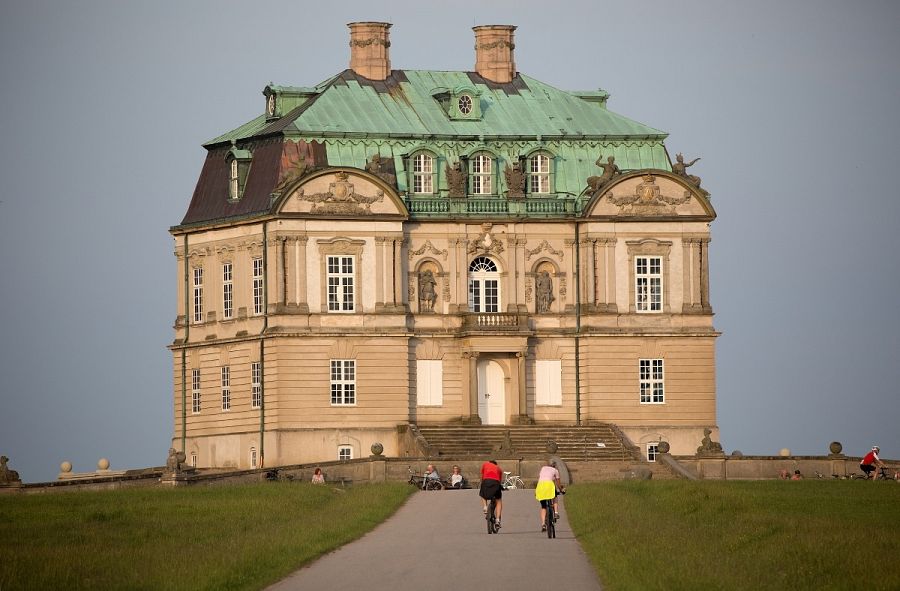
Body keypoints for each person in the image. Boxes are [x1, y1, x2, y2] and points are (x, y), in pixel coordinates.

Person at [535, 459, 563, 531]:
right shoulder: (555, 470)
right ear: (554, 465)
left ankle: (543, 524)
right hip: (549, 485)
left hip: (540, 486)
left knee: (543, 507)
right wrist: (561, 490)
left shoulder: (543, 468)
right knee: (555, 496)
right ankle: (556, 513)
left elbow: (541, 478)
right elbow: (558, 483)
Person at [479, 459, 503, 529]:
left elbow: (482, 476)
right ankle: (498, 520)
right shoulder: (499, 469)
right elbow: (499, 481)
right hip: (496, 483)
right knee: (498, 501)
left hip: (486, 481)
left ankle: (485, 507)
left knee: (482, 493)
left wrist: (482, 484)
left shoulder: (485, 464)